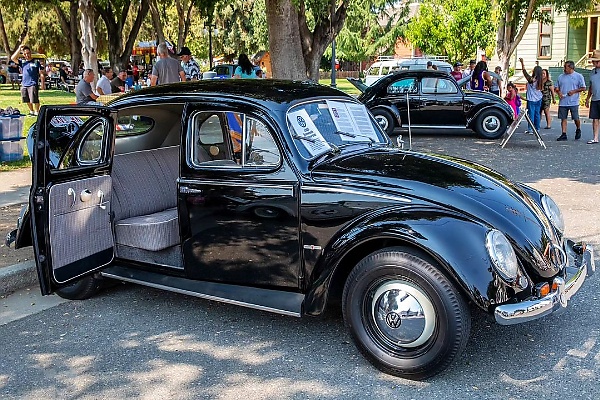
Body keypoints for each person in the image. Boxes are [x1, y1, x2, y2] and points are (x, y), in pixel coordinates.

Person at [554, 60, 586, 141]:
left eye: (566, 67)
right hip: (563, 101)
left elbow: (583, 87)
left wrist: (574, 91)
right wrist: (559, 92)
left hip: (573, 101)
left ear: (571, 67)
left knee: (575, 117)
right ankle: (564, 133)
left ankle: (578, 128)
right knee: (563, 118)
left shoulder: (578, 76)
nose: (564, 68)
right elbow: (556, 87)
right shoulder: (561, 76)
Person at [10, 45, 42, 116]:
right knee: (26, 99)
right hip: (24, 84)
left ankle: (37, 111)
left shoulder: (36, 62)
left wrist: (42, 83)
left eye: (28, 53)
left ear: (30, 53)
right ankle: (31, 111)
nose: (27, 55)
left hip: (33, 83)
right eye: (25, 54)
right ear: (23, 54)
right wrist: (19, 48)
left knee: (34, 99)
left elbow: (41, 72)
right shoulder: (22, 62)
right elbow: (13, 58)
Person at [519, 58, 543, 134]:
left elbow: (524, 72)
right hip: (539, 98)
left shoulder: (531, 80)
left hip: (531, 99)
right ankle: (537, 128)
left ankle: (530, 129)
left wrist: (522, 63)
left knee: (531, 114)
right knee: (537, 114)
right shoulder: (541, 80)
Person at [585, 49, 600, 144]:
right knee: (595, 119)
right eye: (593, 61)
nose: (593, 63)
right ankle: (595, 138)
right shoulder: (592, 72)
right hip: (595, 98)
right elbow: (591, 86)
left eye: (596, 61)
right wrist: (587, 98)